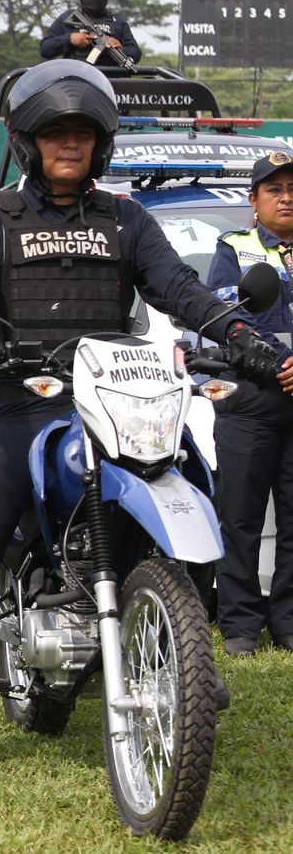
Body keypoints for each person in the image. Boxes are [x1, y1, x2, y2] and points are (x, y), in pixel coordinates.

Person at [0, 60, 278, 786]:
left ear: (103, 145)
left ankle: (187, 651)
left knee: (191, 475)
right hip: (15, 393)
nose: (71, 145)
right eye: (56, 134)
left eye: (84, 135)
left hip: (115, 390)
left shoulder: (126, 218)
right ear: (31, 143)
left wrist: (241, 334)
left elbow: (179, 288)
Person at [205, 151, 293, 657]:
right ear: (254, 202)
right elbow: (232, 321)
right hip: (251, 399)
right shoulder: (233, 249)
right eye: (274, 190)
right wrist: (284, 366)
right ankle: (239, 626)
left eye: (292, 189)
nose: (286, 198)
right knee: (239, 517)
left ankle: (287, 623)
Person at [39, 0, 141, 66]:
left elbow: (135, 53)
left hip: (111, 78)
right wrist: (70, 39)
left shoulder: (117, 22)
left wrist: (120, 48)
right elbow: (45, 49)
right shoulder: (67, 19)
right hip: (79, 77)